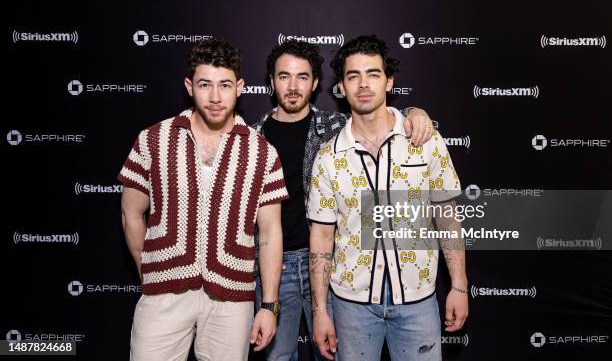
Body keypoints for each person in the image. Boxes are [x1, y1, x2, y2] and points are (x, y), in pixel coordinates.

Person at [252, 40, 435, 360]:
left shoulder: (336, 128)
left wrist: (413, 112)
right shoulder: (252, 139)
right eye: (284, 77)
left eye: (302, 77)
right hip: (272, 268)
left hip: (330, 266)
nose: (293, 87)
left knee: (339, 353)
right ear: (271, 81)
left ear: (316, 83)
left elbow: (378, 117)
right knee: (276, 356)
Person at [118, 38, 288, 361]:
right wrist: (153, 271)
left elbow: (269, 233)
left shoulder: (262, 153)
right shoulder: (153, 140)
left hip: (233, 299)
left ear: (239, 87)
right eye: (204, 84)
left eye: (224, 85)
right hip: (163, 297)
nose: (214, 97)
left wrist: (268, 305)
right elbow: (131, 214)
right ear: (189, 85)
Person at [308, 35, 468, 360]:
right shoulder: (328, 158)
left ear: (389, 81)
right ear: (341, 86)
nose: (363, 84)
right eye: (353, 76)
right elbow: (322, 237)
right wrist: (320, 310)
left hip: (418, 297)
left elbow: (447, 218)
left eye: (373, 74)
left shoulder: (424, 140)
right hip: (351, 303)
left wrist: (459, 285)